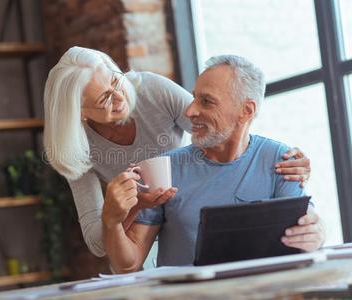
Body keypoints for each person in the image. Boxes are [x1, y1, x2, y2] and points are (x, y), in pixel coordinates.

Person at [43, 46, 312, 257]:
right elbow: (97, 243)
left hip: (185, 215)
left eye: (116, 80)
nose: (119, 96)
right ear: (79, 113)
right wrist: (130, 207)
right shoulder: (75, 148)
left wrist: (277, 158)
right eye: (104, 98)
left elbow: (224, 129)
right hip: (137, 234)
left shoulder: (152, 90)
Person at [102, 55, 325, 273]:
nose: (190, 111)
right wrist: (112, 221)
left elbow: (302, 236)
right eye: (194, 98)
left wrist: (315, 233)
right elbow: (127, 264)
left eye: (206, 101)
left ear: (246, 111)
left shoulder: (282, 162)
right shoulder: (165, 169)